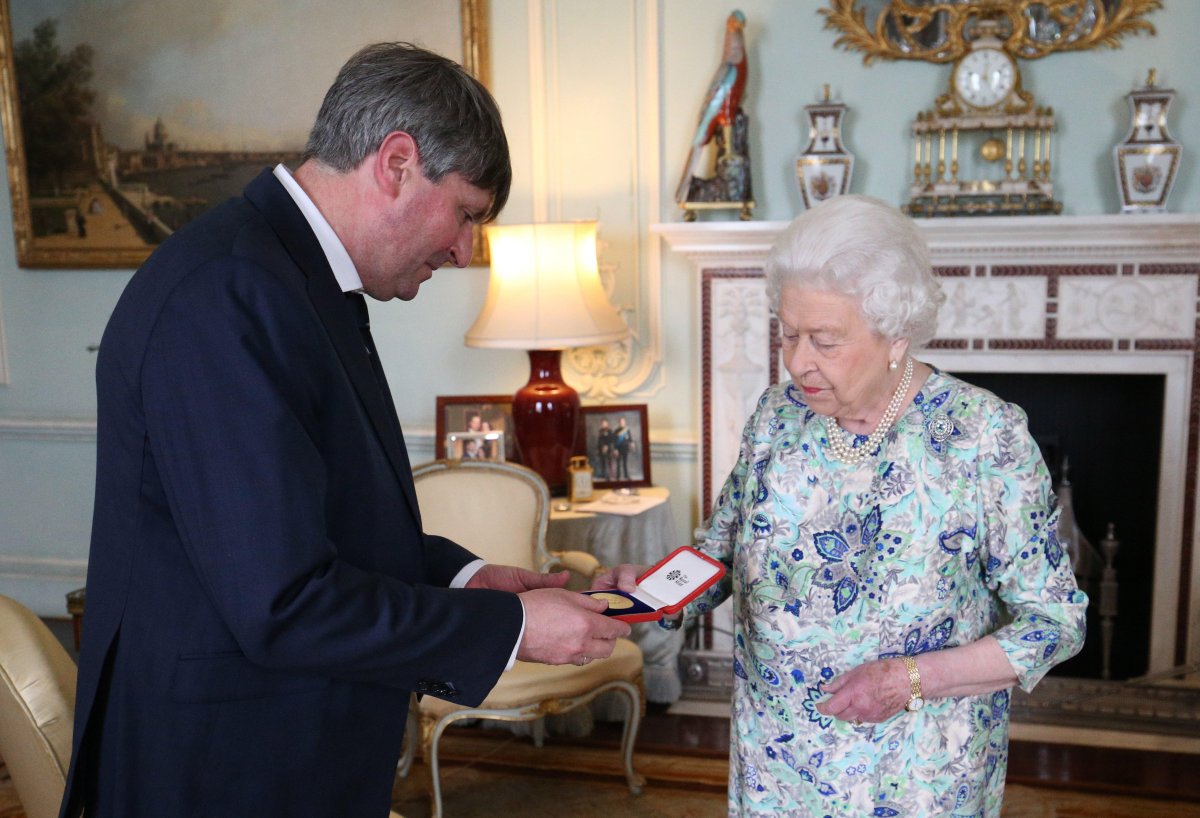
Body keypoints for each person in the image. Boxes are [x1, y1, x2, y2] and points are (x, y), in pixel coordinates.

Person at [61, 42, 629, 818]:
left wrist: (468, 580)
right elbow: (284, 599)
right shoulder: (226, 295)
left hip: (276, 751)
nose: (465, 250)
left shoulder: (290, 279)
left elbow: (316, 528)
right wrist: (506, 628)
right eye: (465, 214)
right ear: (397, 163)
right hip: (218, 772)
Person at [595, 195, 1087, 817]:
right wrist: (651, 593)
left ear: (895, 334)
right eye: (789, 333)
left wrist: (905, 681)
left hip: (919, 773)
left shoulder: (981, 435)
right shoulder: (778, 416)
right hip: (777, 758)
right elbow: (719, 548)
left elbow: (1055, 622)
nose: (799, 361)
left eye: (824, 340)